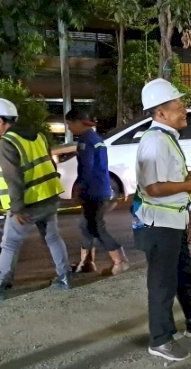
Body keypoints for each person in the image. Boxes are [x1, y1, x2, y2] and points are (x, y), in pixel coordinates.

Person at [132, 78, 191, 362]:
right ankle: (160, 340)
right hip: (158, 225)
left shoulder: (167, 138)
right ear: (160, 113)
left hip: (171, 221)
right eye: (178, 106)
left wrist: (186, 189)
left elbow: (174, 177)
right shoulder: (156, 141)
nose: (184, 110)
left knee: (183, 273)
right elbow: (154, 188)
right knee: (162, 284)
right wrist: (187, 186)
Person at [0, 98, 71, 301]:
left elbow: (13, 178)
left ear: (1, 120)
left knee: (9, 244)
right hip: (49, 197)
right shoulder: (38, 136)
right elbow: (48, 165)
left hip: (27, 204)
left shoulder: (6, 143)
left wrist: (17, 209)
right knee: (53, 238)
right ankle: (65, 277)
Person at [66, 109, 130, 275]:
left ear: (79, 122)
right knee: (86, 225)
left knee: (96, 227)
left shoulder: (85, 142)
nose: (69, 128)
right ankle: (87, 263)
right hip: (101, 188)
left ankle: (120, 261)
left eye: (69, 124)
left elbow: (86, 169)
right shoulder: (97, 140)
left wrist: (78, 189)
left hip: (92, 192)